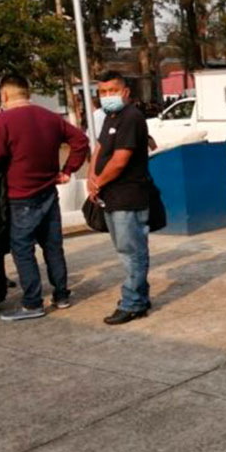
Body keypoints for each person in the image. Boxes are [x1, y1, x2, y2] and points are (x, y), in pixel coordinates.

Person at [0, 74, 89, 320]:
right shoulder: (50, 117)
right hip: (49, 192)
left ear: (4, 95)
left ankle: (32, 303)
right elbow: (80, 141)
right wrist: (67, 170)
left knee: (22, 249)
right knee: (52, 246)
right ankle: (61, 295)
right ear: (27, 92)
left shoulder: (3, 121)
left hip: (20, 196)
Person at [87, 71, 153, 325]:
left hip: (129, 196)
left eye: (111, 91)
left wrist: (98, 182)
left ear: (125, 92)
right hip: (112, 196)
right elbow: (101, 149)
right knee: (125, 249)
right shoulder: (110, 117)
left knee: (131, 251)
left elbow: (120, 160)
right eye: (102, 93)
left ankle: (133, 302)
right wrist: (92, 177)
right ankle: (138, 297)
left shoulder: (131, 117)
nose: (106, 97)